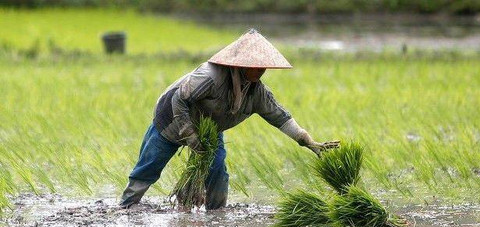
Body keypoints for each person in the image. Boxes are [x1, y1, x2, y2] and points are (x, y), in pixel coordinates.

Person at [119, 29, 339, 210]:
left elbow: (281, 118)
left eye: (263, 66)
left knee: (216, 170)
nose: (261, 70)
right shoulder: (210, 77)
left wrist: (308, 141)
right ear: (240, 64)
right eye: (255, 65)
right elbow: (180, 99)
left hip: (209, 129)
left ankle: (216, 213)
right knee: (151, 162)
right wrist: (188, 133)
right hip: (172, 120)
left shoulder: (257, 92)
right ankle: (128, 205)